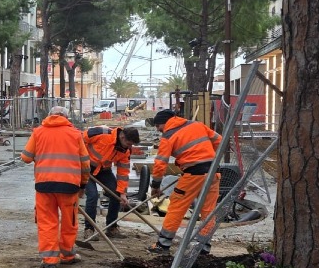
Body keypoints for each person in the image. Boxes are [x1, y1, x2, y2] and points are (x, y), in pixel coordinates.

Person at [20, 106, 89, 268]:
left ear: (49, 116)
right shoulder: (75, 134)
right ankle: (67, 255)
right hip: (69, 186)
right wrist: (83, 185)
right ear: (66, 117)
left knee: (47, 222)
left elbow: (25, 158)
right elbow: (85, 164)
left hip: (44, 186)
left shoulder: (38, 132)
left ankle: (50, 260)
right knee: (69, 222)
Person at [148, 108, 221, 255]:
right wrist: (209, 156)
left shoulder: (168, 136)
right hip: (213, 172)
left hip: (193, 175)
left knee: (176, 207)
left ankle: (163, 245)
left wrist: (155, 185)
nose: (158, 129)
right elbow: (219, 140)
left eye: (158, 126)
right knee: (208, 211)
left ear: (165, 122)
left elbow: (160, 163)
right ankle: (203, 247)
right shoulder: (197, 125)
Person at [83, 125, 141, 237]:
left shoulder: (125, 151)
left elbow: (123, 173)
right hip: (85, 169)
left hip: (104, 170)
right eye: (129, 143)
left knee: (116, 195)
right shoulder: (100, 133)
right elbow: (78, 140)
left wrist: (123, 193)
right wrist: (78, 161)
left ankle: (112, 227)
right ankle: (89, 229)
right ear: (123, 137)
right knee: (93, 196)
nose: (130, 147)